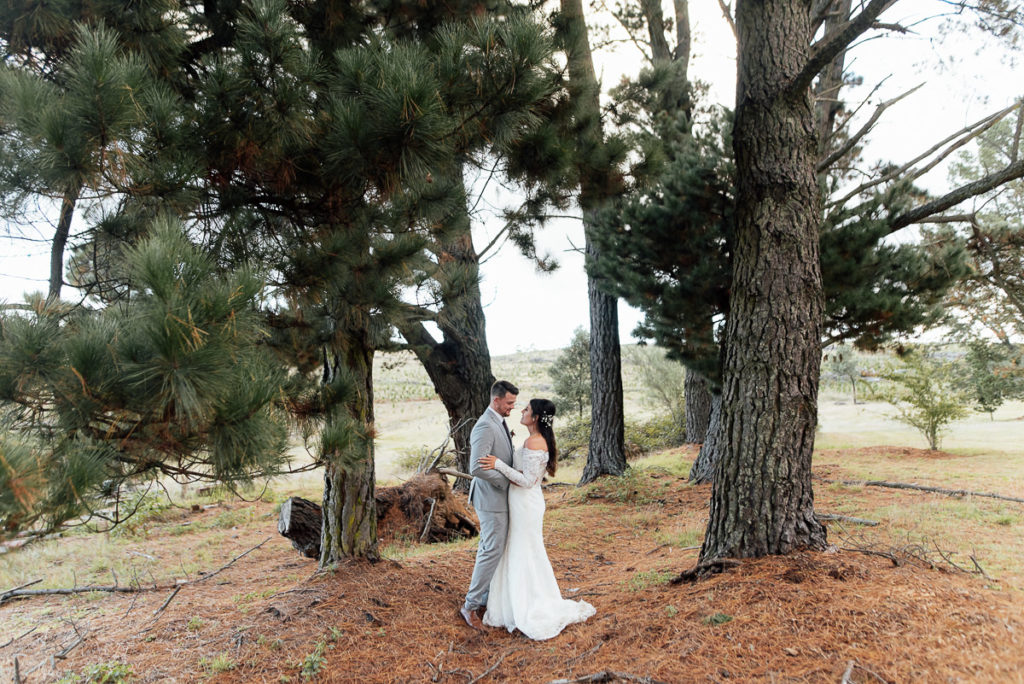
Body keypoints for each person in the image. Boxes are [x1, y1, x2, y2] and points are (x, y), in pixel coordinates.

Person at [478, 398, 595, 640]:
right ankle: (511, 601)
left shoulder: (535, 441)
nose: (522, 410)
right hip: (521, 502)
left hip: (525, 503)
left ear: (536, 417)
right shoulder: (534, 439)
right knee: (518, 548)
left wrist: (498, 464)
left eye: (527, 409)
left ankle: (526, 603)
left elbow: (527, 481)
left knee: (523, 550)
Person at [460, 380, 519, 631]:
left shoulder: (499, 421)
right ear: (496, 400)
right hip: (491, 498)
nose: (512, 407)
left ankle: (485, 597)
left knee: (492, 548)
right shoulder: (485, 425)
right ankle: (470, 606)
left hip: (497, 499)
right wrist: (506, 482)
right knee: (491, 550)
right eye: (509, 403)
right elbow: (476, 467)